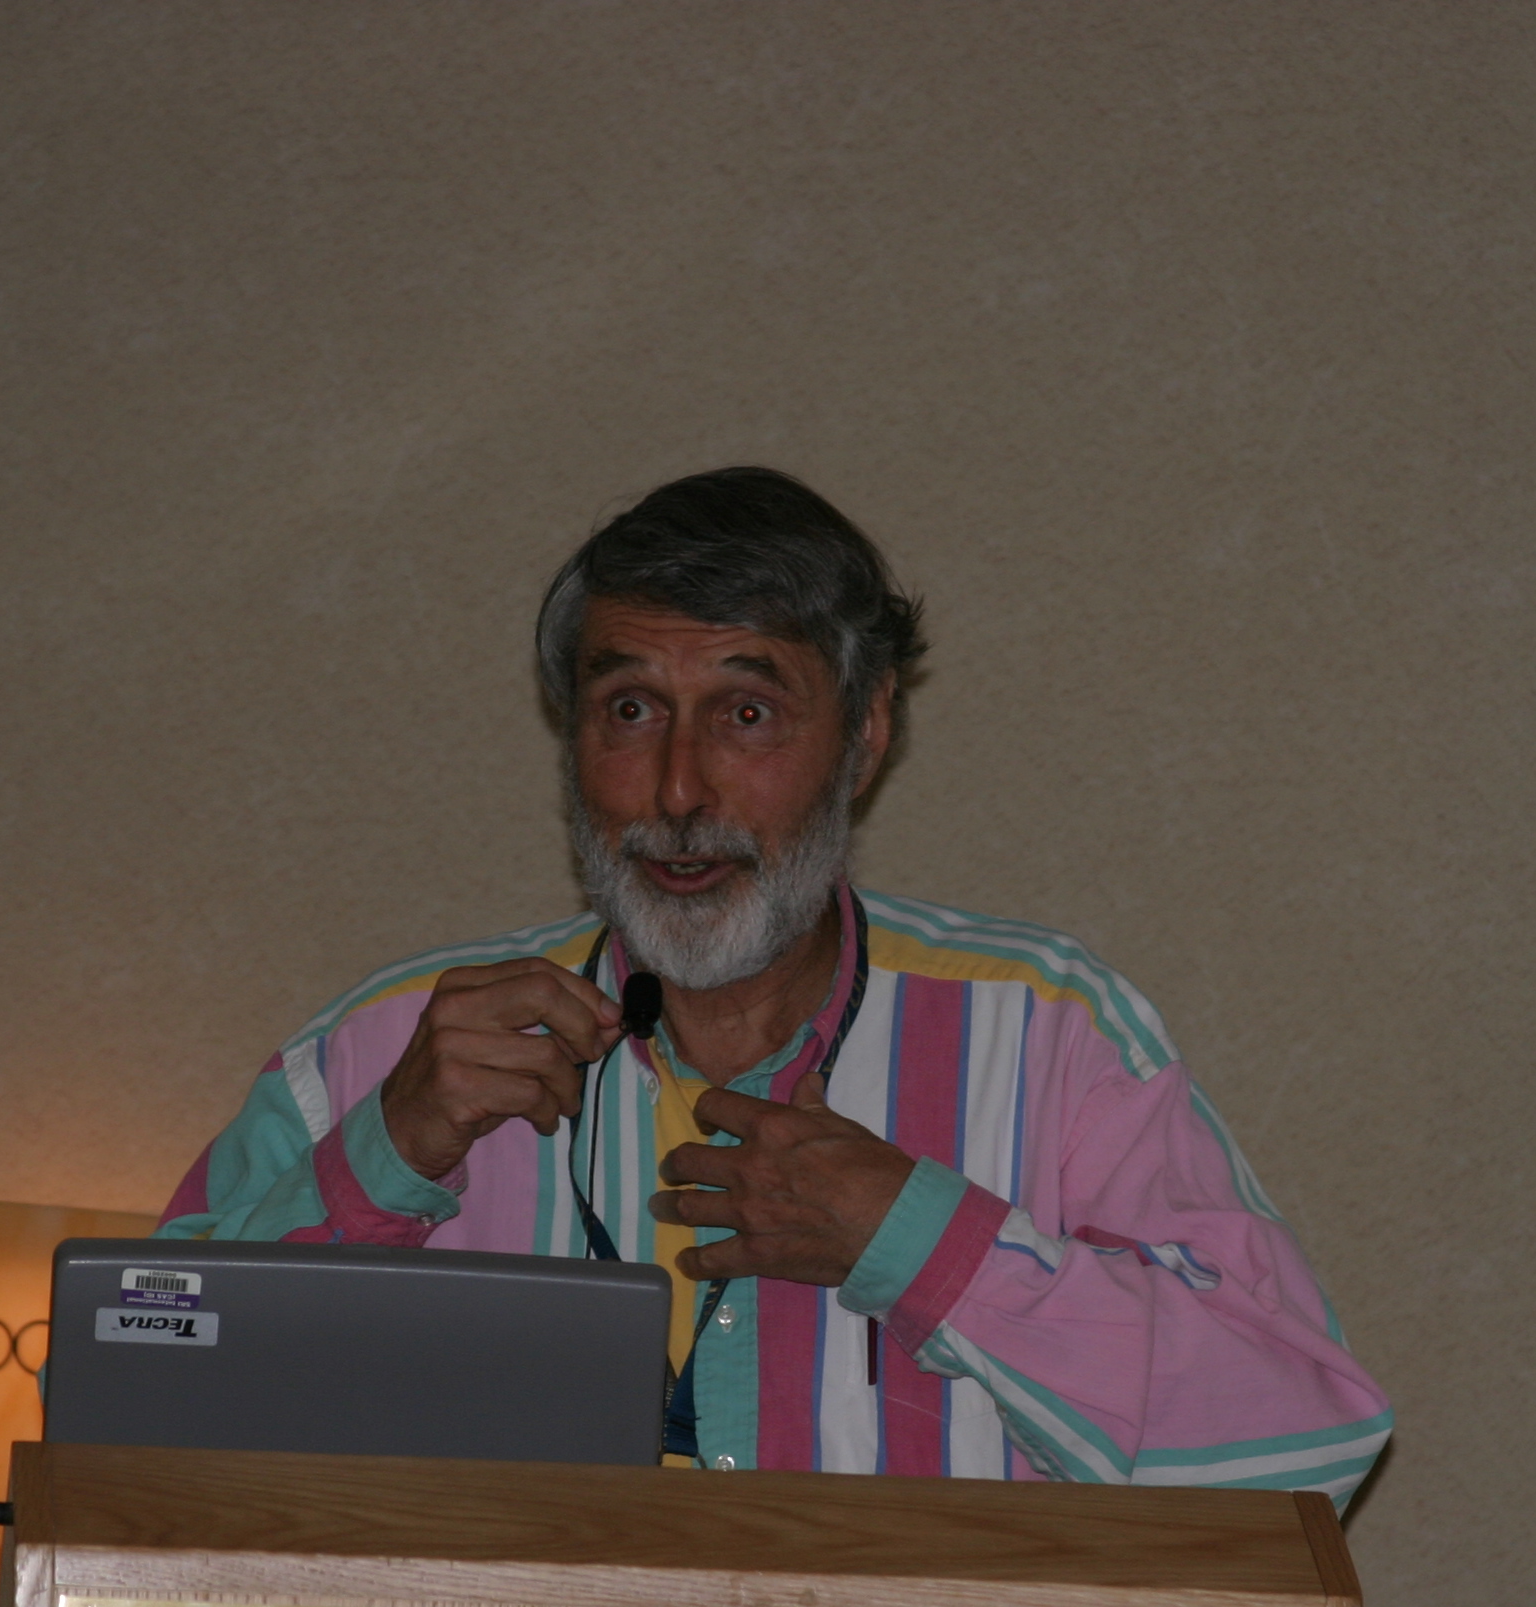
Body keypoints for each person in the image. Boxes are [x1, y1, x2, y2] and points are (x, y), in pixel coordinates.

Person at [157, 468, 1391, 1503]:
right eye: (631, 709)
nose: (679, 789)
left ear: (867, 733)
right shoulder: (390, 1048)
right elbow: (137, 1429)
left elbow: (1303, 1448)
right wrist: (384, 1157)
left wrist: (925, 1245)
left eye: (746, 713)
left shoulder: (1050, 1034)